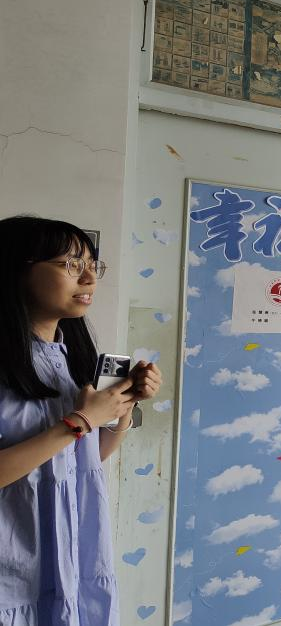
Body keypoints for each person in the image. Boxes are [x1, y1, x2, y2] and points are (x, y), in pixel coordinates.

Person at [0, 216, 163, 626]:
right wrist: (82, 420)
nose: (89, 277)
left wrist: (120, 410)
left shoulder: (71, 361)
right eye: (71, 264)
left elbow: (82, 460)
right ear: (17, 268)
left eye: (92, 264)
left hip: (72, 562)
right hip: (11, 574)